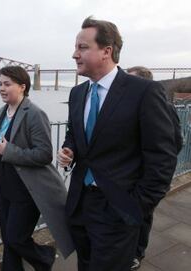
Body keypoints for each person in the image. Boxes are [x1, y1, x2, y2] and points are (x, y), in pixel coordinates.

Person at [57, 17, 178, 271]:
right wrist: (71, 149)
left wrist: (136, 208)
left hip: (119, 209)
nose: (74, 54)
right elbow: (74, 133)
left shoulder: (144, 92)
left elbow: (162, 157)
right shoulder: (77, 93)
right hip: (80, 204)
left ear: (106, 51)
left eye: (82, 47)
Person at [0, 66, 74, 271]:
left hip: (27, 189)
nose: (2, 88)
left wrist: (9, 151)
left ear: (22, 86)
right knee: (9, 239)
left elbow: (44, 154)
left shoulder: (35, 114)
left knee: (16, 238)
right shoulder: (4, 111)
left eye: (7, 84)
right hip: (5, 185)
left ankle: (45, 257)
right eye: (0, 83)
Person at [127, 66, 183, 270]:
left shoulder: (164, 107)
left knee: (143, 216)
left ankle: (137, 253)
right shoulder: (130, 106)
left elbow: (175, 143)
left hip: (146, 177)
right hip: (130, 175)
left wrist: (153, 171)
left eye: (130, 80)